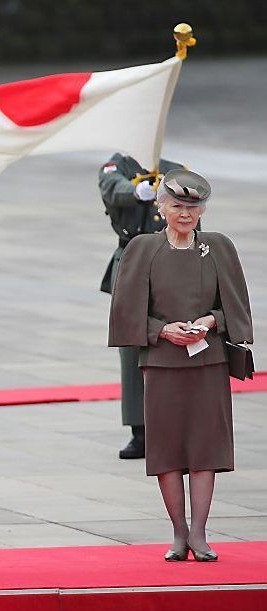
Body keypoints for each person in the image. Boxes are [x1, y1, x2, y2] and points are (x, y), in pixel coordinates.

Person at [109, 169, 253, 562]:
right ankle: (178, 534)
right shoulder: (142, 248)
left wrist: (209, 322)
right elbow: (126, 312)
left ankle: (200, 534)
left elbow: (236, 309)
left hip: (208, 361)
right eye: (177, 205)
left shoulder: (219, 247)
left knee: (206, 447)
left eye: (193, 206)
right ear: (161, 208)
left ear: (203, 209)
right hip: (162, 364)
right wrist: (163, 330)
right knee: (168, 449)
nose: (185, 213)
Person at [99, 152, 183, 459]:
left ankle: (173, 428)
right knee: (132, 347)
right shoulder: (118, 165)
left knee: (173, 346)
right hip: (133, 261)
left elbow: (193, 197)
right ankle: (140, 430)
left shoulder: (172, 167)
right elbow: (112, 187)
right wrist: (136, 192)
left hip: (171, 262)